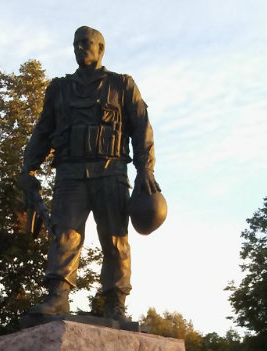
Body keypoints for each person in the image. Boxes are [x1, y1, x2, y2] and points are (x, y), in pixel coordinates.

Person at [18, 26, 161, 321]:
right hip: (70, 174)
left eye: (86, 44)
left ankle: (116, 303)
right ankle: (57, 296)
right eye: (75, 45)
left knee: (115, 239)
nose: (80, 49)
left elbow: (142, 128)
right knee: (65, 235)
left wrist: (145, 168)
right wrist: (28, 167)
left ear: (100, 49)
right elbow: (43, 131)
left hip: (111, 172)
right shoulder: (59, 89)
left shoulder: (122, 85)